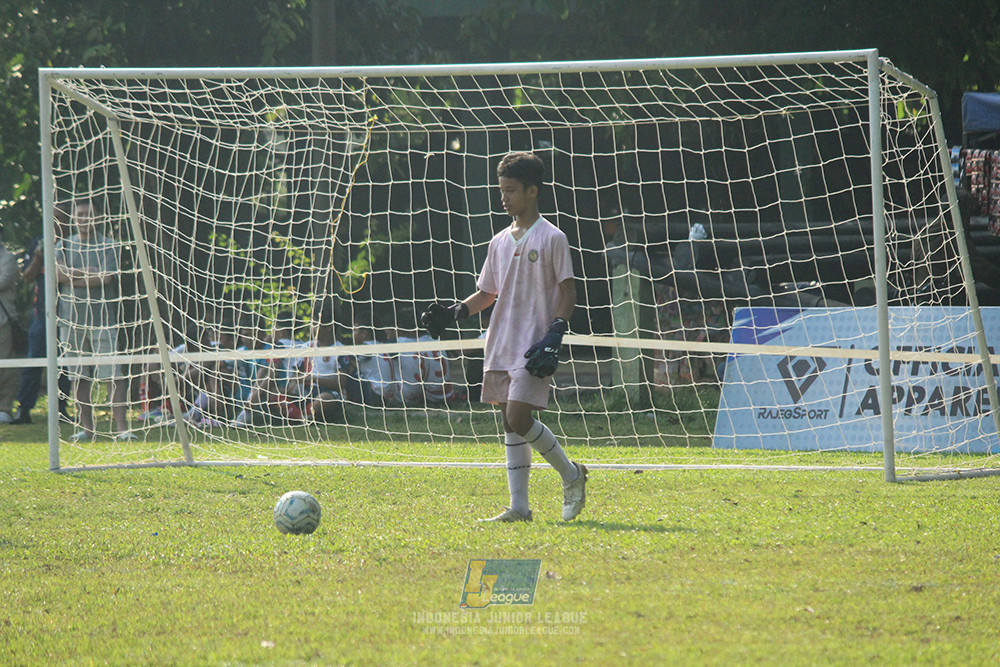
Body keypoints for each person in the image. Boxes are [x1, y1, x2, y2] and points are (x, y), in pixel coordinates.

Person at [420, 151, 588, 523]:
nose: (504, 197)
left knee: (520, 417)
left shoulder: (552, 237)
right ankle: (519, 507)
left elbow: (568, 291)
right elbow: (487, 293)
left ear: (532, 191)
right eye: (501, 190)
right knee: (508, 421)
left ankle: (572, 475)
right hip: (500, 340)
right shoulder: (498, 241)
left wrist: (555, 334)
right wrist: (456, 312)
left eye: (511, 190)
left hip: (534, 345)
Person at [54, 199, 133, 442]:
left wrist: (72, 276)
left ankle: (121, 428)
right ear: (73, 218)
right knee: (78, 376)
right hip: (70, 320)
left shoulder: (109, 245)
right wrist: (86, 272)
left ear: (98, 217)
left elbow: (105, 278)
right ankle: (88, 429)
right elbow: (57, 275)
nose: (84, 218)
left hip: (103, 319)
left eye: (89, 214)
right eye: (80, 214)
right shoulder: (64, 245)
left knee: (112, 374)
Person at [12, 205, 73, 424]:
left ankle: (62, 408)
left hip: (69, 314)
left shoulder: (74, 243)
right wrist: (39, 256)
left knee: (65, 364)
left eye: (61, 218)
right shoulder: (39, 241)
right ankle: (24, 409)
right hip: (42, 314)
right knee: (33, 362)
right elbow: (27, 277)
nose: (56, 223)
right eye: (52, 218)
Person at [0, 237, 18, 423]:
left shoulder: (7, 259)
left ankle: (4, 408)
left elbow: (3, 281)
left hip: (3, 321)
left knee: (5, 364)